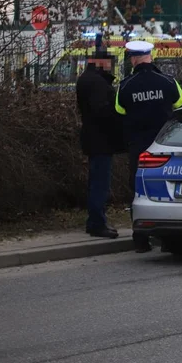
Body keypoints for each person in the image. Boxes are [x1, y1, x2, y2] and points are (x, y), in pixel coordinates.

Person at [116, 40, 182, 252]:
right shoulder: (168, 81)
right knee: (167, 188)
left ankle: (140, 239)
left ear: (134, 59)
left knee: (139, 190)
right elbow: (181, 103)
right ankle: (167, 238)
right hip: (164, 145)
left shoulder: (126, 85)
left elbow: (119, 110)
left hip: (138, 147)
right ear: (150, 56)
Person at [75, 53, 125, 238]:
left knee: (96, 181)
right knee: (99, 183)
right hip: (101, 140)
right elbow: (103, 112)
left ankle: (95, 220)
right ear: (100, 62)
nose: (111, 67)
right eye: (108, 62)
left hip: (93, 138)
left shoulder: (87, 79)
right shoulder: (96, 83)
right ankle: (97, 222)